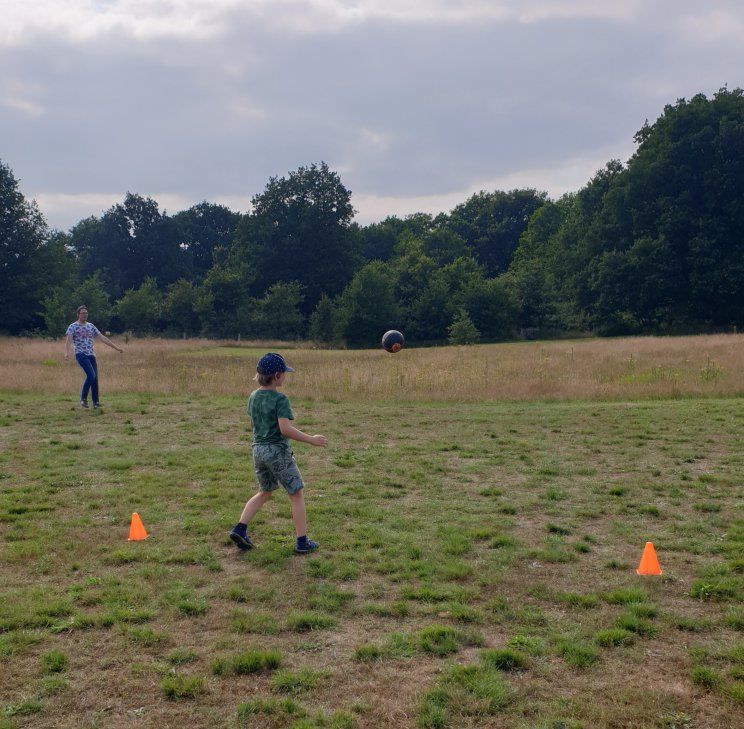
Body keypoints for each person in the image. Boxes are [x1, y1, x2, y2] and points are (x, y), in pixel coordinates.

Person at [230, 352, 327, 554]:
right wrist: (311, 439)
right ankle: (302, 542)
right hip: (277, 451)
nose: (285, 377)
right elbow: (285, 429)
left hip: (258, 450)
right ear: (276, 375)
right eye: (284, 373)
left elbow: (253, 423)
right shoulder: (280, 399)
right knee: (296, 493)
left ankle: (240, 529)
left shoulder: (253, 396)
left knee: (264, 492)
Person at [64, 305, 123, 408]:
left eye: (86, 313)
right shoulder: (73, 326)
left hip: (91, 355)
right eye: (82, 313)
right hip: (81, 354)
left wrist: (116, 348)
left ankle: (96, 403)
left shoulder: (91, 326)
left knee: (95, 379)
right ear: (78, 314)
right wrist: (67, 352)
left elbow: (102, 338)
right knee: (91, 375)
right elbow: (68, 340)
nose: (85, 315)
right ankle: (83, 399)